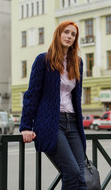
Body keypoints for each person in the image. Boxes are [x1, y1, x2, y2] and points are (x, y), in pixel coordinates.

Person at [19, 21, 87, 190]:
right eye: (66, 32)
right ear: (58, 34)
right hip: (52, 124)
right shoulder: (43, 60)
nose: (69, 37)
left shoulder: (77, 63)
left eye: (73, 34)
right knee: (71, 171)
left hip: (72, 122)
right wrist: (26, 126)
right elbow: (32, 94)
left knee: (81, 174)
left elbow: (75, 97)